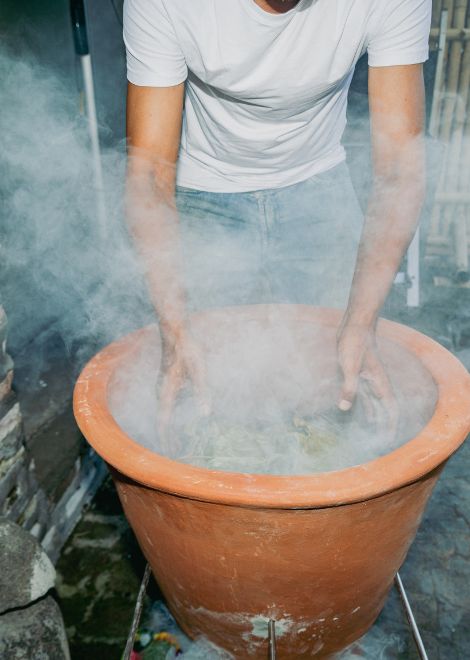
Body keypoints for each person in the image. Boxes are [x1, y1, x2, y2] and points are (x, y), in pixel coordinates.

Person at [123, 0, 431, 430]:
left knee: (333, 388)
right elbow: (149, 171)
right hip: (206, 192)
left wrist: (362, 323)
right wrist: (174, 330)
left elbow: (401, 166)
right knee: (208, 388)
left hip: (318, 189)